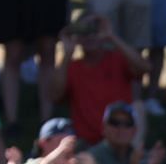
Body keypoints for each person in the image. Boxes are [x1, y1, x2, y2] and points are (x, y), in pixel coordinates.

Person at [42, 12, 145, 148]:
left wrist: (111, 36)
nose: (90, 36)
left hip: (121, 139)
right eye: (84, 31)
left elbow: (144, 68)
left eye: (95, 30)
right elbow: (54, 95)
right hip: (87, 144)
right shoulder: (73, 67)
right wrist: (67, 53)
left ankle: (133, 157)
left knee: (139, 107)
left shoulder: (118, 59)